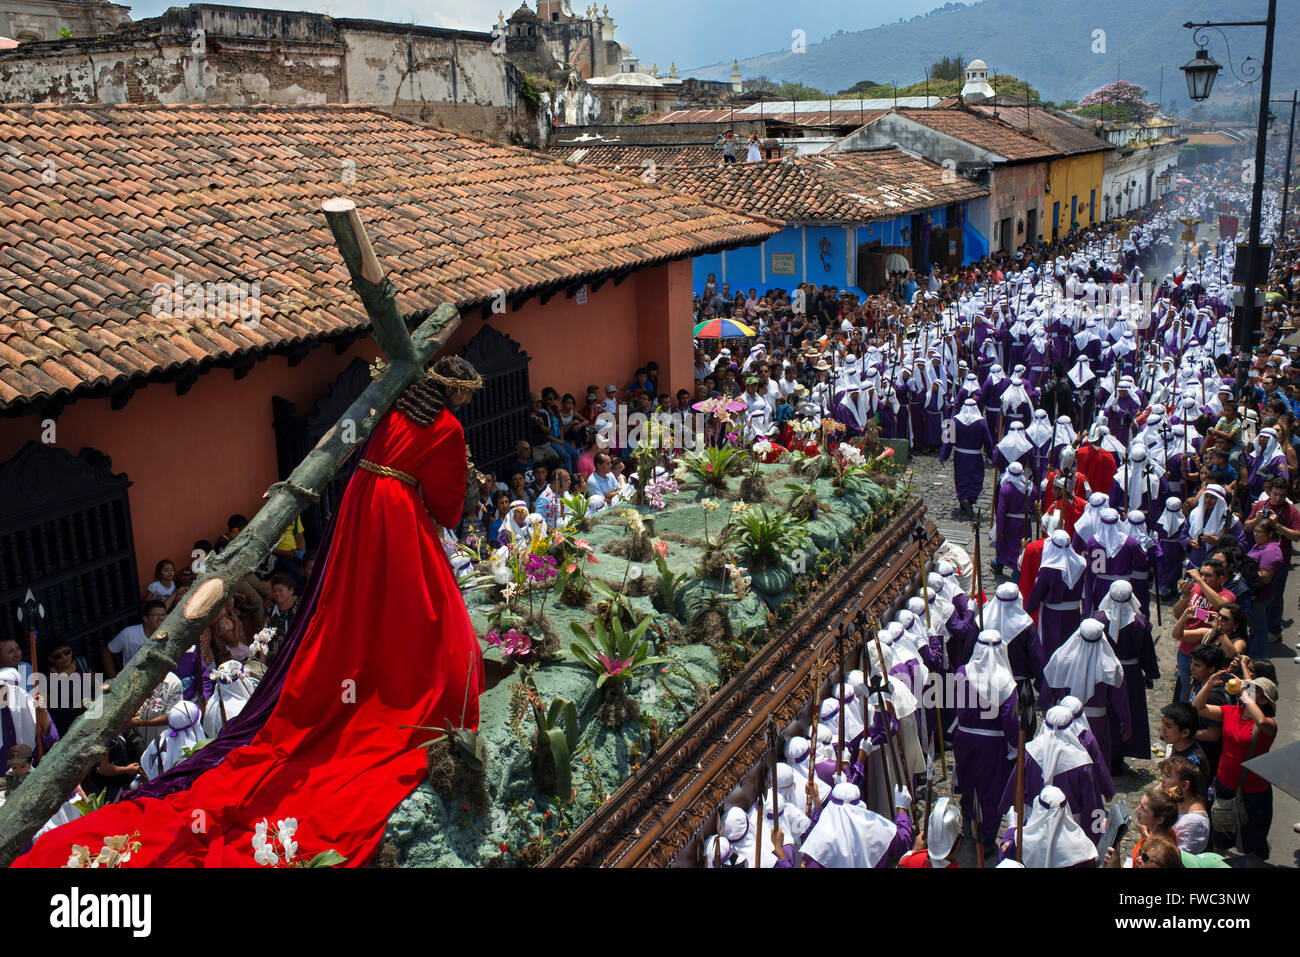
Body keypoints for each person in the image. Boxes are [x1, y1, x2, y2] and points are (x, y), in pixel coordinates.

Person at [17, 355, 487, 868]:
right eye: (465, 394)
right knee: (423, 611)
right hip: (397, 513)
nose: (464, 401)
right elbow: (447, 501)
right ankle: (405, 689)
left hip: (359, 503)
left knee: (349, 608)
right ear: (456, 393)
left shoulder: (393, 408)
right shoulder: (448, 427)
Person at [1195, 671, 1279, 860]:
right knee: (1220, 838)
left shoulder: (1270, 725)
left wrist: (1244, 694)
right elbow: (1198, 708)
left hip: (1255, 791)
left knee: (1254, 844)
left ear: (1264, 701)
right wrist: (1209, 684)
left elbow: (1261, 721)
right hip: (1225, 785)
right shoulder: (1231, 712)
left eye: (1254, 690)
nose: (1247, 690)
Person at [1244, 518, 1284, 657]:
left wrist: (1245, 570)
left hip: (1260, 595)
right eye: (1255, 531)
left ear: (1270, 534)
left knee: (1258, 628)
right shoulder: (1260, 545)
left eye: (1259, 532)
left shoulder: (1271, 551)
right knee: (1254, 627)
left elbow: (1265, 577)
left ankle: (1257, 657)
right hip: (1254, 594)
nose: (1255, 534)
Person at [1159, 755, 1211, 854]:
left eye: (1168, 776)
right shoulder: (1175, 797)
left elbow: (1178, 858)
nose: (1161, 779)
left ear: (1184, 785)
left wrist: (1146, 835)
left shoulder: (1194, 822)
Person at [103, 600, 167, 678]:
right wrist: (114, 678)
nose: (161, 618)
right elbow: (107, 653)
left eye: (163, 615)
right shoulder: (128, 633)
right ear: (145, 618)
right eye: (156, 615)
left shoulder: (170, 633)